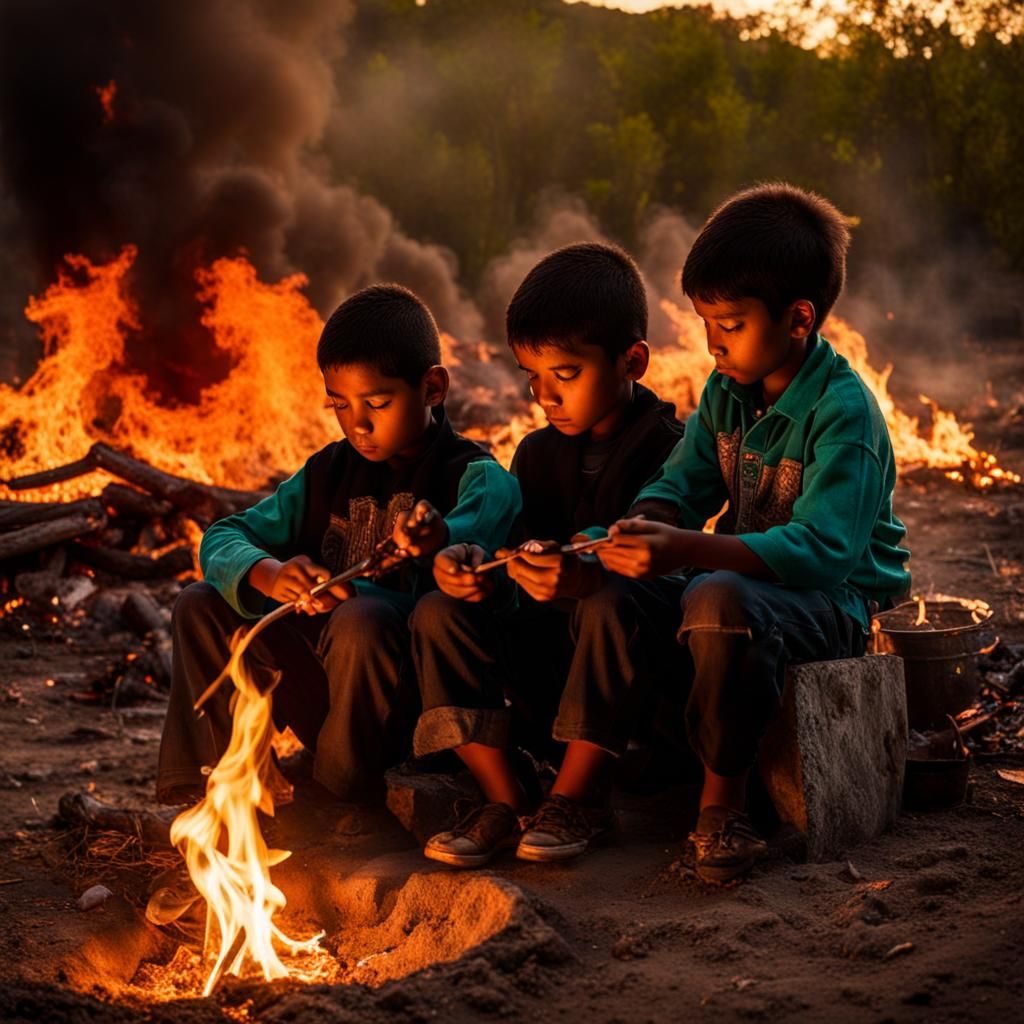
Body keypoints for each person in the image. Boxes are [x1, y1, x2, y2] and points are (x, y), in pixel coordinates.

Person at [597, 182, 911, 882]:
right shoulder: (725, 395)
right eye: (705, 321)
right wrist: (648, 524)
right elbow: (680, 485)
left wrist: (686, 551)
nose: (712, 343)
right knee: (612, 594)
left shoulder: (845, 412)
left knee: (714, 598)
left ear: (798, 319)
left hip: (835, 604)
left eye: (730, 324)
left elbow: (823, 552)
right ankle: (594, 785)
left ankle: (722, 812)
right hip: (742, 583)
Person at [156, 284, 521, 806]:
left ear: (433, 388)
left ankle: (341, 795)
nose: (359, 424)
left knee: (361, 616)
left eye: (378, 402)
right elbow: (223, 537)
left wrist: (432, 544)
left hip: (414, 710)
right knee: (201, 603)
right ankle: (209, 787)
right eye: (339, 405)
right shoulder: (327, 471)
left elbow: (465, 573)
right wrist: (269, 574)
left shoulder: (475, 476)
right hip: (325, 692)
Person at [410, 242, 685, 867]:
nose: (544, 396)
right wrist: (482, 572)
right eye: (531, 377)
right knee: (437, 611)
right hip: (550, 664)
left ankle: (577, 799)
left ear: (632, 360)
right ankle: (507, 797)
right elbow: (519, 563)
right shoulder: (535, 454)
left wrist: (581, 576)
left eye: (566, 375)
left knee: (609, 597)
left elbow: (673, 574)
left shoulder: (676, 450)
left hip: (638, 667)